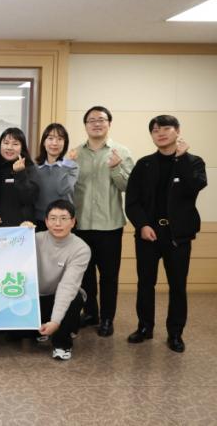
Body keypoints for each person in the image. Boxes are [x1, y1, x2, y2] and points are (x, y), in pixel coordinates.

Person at [125, 115, 207, 353]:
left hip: (178, 235)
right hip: (148, 233)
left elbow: (194, 187)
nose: (160, 133)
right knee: (145, 284)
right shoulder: (144, 164)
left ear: (177, 131)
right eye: (155, 130)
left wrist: (181, 158)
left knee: (178, 286)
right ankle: (144, 327)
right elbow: (132, 201)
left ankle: (175, 333)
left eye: (166, 128)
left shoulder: (193, 162)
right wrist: (142, 225)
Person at [74, 106, 133, 337]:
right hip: (81, 225)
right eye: (91, 120)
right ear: (85, 125)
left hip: (109, 226)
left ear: (109, 123)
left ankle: (107, 319)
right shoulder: (75, 153)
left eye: (101, 119)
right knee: (85, 274)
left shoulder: (121, 152)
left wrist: (116, 168)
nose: (96, 123)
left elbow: (128, 187)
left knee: (109, 276)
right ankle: (91, 313)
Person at [23, 200, 91, 360]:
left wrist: (55, 321)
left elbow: (67, 287)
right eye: (53, 218)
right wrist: (21, 235)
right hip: (37, 298)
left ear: (73, 222)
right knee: (15, 335)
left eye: (63, 218)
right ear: (46, 221)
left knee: (74, 297)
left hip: (61, 296)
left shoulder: (81, 249)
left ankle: (62, 344)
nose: (58, 223)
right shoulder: (35, 239)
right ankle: (46, 328)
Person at [0, 127, 39, 227]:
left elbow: (29, 199)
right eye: (6, 143)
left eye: (15, 144)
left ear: (22, 147)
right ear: (0, 145)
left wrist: (20, 173)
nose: (9, 147)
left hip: (22, 227)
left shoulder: (30, 168)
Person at [33, 123, 79, 231]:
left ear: (65, 143)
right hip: (39, 220)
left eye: (60, 139)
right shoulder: (35, 167)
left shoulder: (72, 166)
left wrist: (66, 165)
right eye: (50, 138)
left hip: (64, 221)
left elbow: (63, 189)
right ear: (44, 142)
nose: (54, 143)